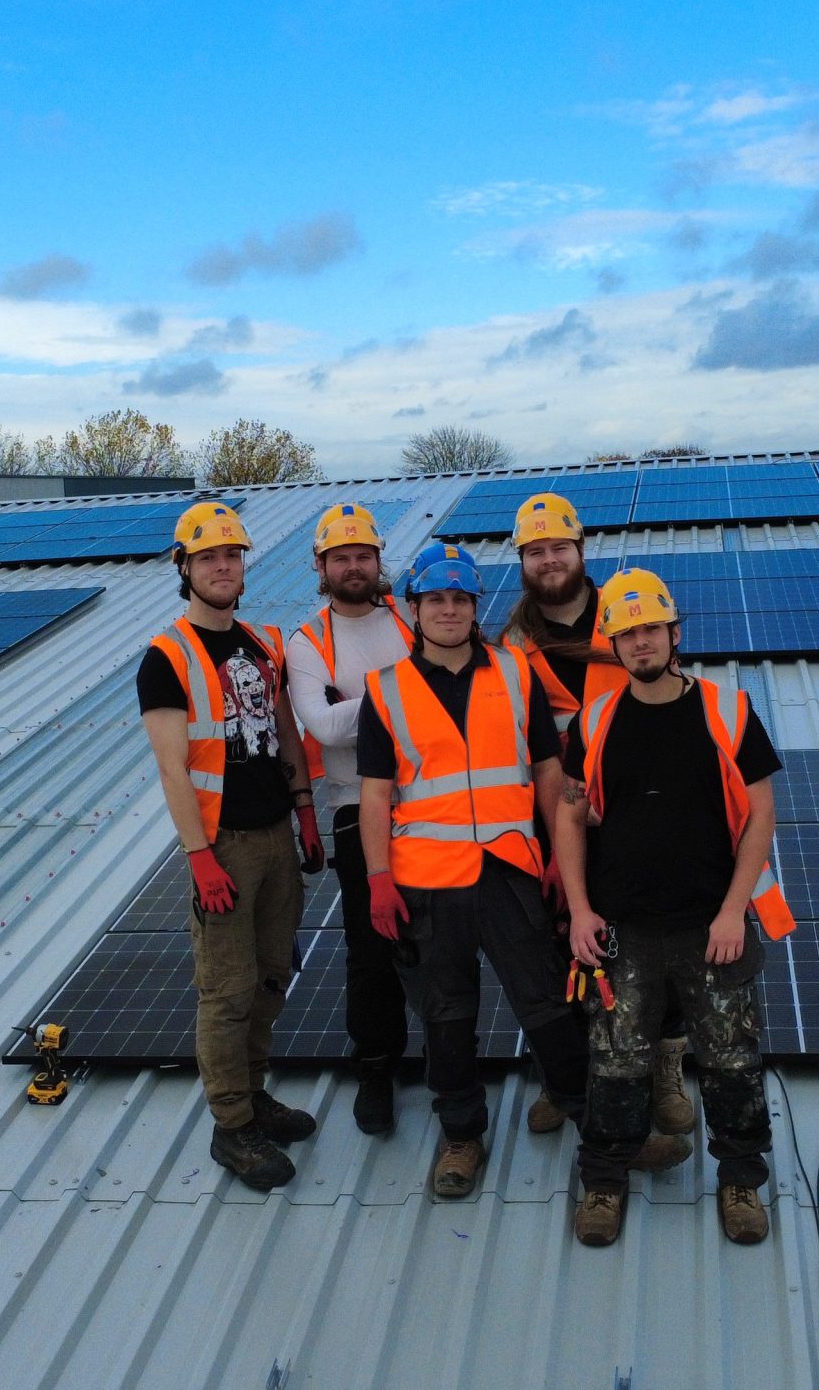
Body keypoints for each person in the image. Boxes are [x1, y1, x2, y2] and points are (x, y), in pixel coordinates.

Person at [358, 544, 608, 1199]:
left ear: (475, 608)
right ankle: (462, 1136)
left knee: (549, 1002)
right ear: (413, 608)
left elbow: (549, 771)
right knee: (445, 1017)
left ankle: (597, 1124)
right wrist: (378, 878)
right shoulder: (385, 691)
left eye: (460, 599)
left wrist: (556, 852)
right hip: (426, 880)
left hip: (508, 869)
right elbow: (377, 796)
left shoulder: (515, 673)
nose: (448, 610)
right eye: (435, 599)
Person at [553, 567, 792, 1247]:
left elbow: (761, 816)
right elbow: (571, 816)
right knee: (616, 1061)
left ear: (674, 634)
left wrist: (731, 911)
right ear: (614, 645)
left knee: (731, 1061)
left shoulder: (728, 711)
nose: (640, 644)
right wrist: (578, 909)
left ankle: (741, 1179)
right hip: (624, 929)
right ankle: (603, 1181)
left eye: (650, 629)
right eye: (626, 635)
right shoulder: (595, 722)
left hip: (710, 925)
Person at [138, 500, 329, 1191]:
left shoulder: (261, 643)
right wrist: (198, 856)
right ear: (184, 568)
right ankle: (231, 1126)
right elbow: (171, 766)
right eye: (210, 557)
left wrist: (305, 810)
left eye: (233, 555)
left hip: (277, 834)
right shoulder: (167, 657)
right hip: (224, 844)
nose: (224, 567)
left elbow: (280, 728)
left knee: (272, 977)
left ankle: (254, 1094)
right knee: (227, 990)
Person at [500, 492, 693, 1141]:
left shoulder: (627, 618)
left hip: (641, 822)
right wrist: (551, 844)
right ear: (522, 561)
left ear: (580, 552)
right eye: (535, 550)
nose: (549, 559)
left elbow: (675, 707)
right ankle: (574, 1075)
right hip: (560, 827)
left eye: (559, 546)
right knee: (568, 955)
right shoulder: (513, 648)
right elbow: (526, 754)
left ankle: (664, 1072)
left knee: (655, 949)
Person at [284, 502, 416, 1134]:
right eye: (342, 557)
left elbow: (345, 718)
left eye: (364, 555)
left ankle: (447, 1055)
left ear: (377, 560)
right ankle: (376, 1067)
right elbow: (322, 725)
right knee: (370, 946)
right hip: (350, 804)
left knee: (441, 935)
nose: (355, 566)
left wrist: (355, 702)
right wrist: (409, 694)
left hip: (429, 802)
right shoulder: (306, 642)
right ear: (321, 565)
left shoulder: (412, 617)